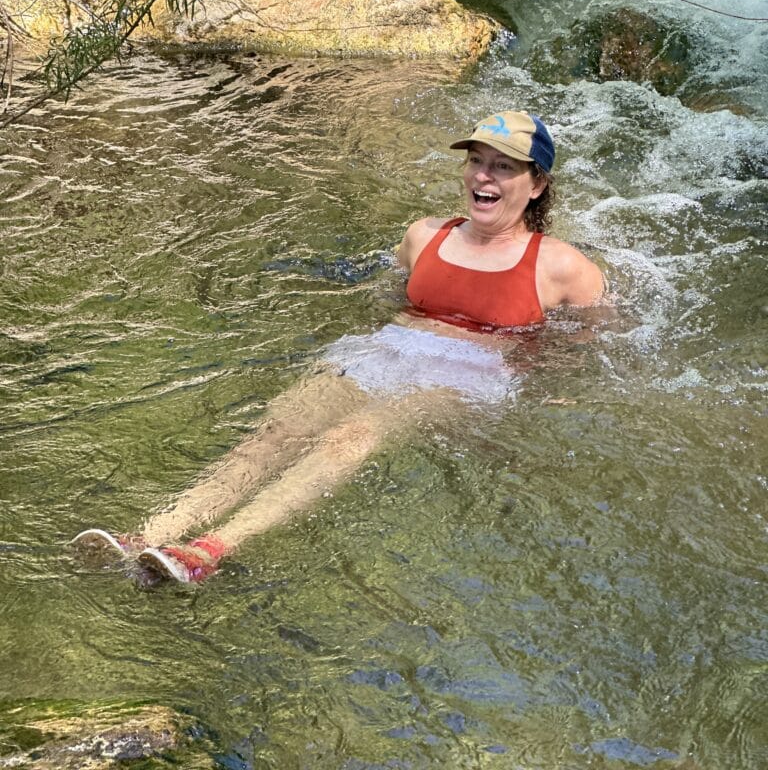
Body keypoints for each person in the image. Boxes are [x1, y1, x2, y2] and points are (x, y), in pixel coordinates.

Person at [71, 110, 605, 584]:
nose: (484, 176)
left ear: (536, 186)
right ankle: (147, 536)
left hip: (471, 372)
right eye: (477, 162)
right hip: (389, 349)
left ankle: (210, 551)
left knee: (353, 436)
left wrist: (546, 389)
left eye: (504, 167)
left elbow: (592, 340)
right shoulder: (425, 235)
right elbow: (388, 296)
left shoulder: (560, 265)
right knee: (276, 431)